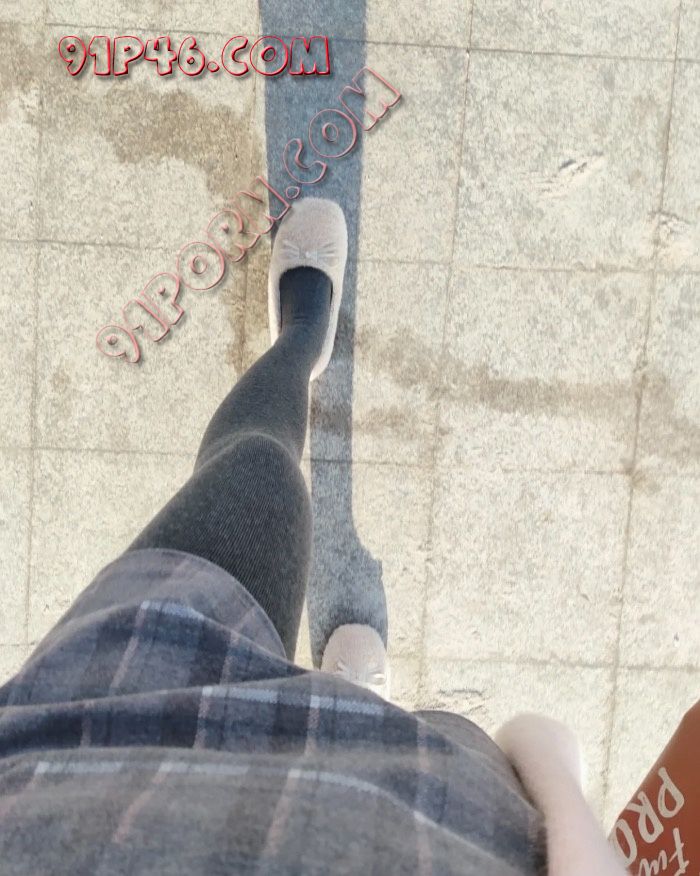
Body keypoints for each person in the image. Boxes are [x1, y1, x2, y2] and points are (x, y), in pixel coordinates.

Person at [0, 199, 625, 874]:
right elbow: (547, 751)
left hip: (73, 776)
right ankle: (355, 711)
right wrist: (560, 795)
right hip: (436, 826)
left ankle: (300, 343)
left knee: (257, 470)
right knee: (374, 737)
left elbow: (543, 742)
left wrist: (551, 767)